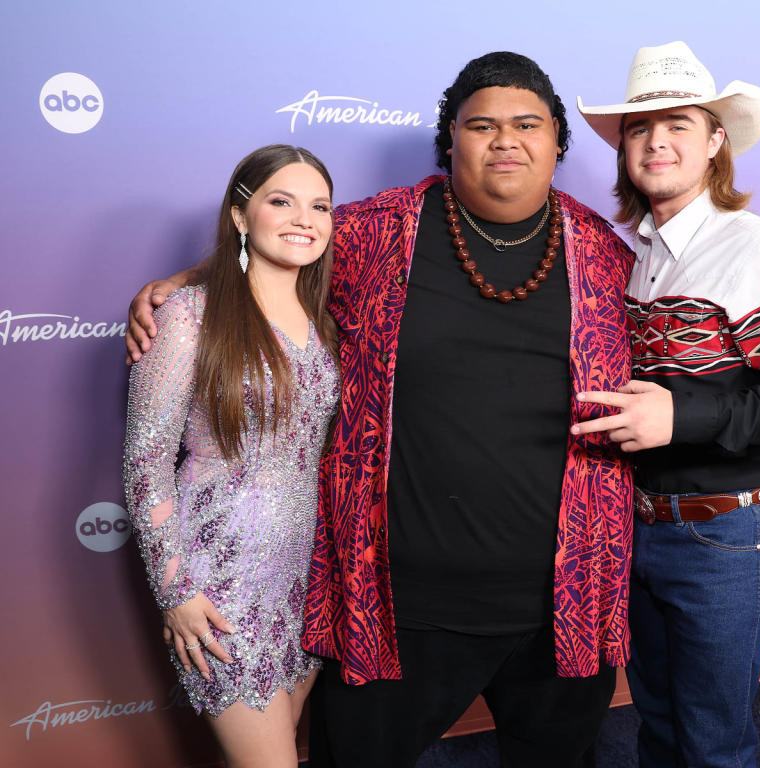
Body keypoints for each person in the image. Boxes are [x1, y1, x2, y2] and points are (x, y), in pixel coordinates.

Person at [126, 52, 635, 767]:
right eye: (480, 125)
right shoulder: (375, 232)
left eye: (527, 124)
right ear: (448, 138)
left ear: (557, 139)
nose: (505, 140)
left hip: (562, 595)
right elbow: (281, 249)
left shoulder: (608, 256)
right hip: (399, 600)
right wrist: (181, 284)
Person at [574, 42, 760, 767]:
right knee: (656, 728)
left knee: (715, 746)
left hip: (727, 538)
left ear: (716, 141)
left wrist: (679, 416)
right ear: (625, 148)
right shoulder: (636, 255)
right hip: (638, 527)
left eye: (679, 124)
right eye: (639, 128)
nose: (657, 140)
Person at [123, 144, 340, 768]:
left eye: (319, 206)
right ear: (241, 216)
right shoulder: (188, 315)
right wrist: (175, 591)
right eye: (281, 201)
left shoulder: (327, 319)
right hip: (221, 579)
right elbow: (146, 460)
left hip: (308, 576)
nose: (304, 218)